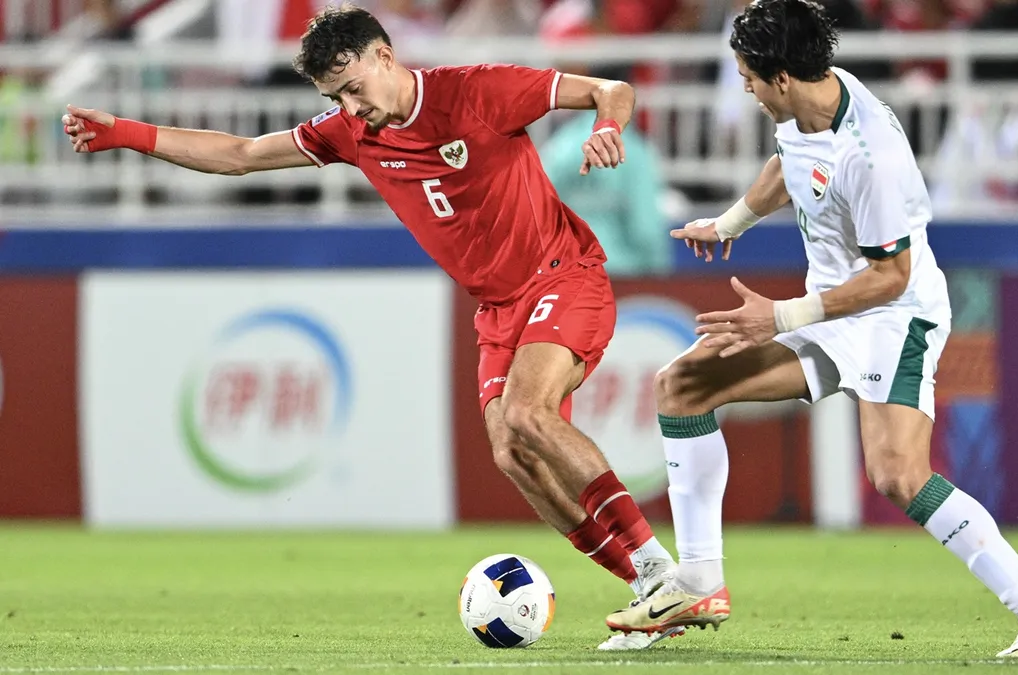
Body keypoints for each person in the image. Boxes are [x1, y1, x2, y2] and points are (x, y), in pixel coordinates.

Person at [62, 4, 679, 651]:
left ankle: (660, 568)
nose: (350, 108)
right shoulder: (353, 133)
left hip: (562, 274)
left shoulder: (475, 91)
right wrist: (128, 134)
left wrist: (607, 125)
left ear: (385, 57)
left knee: (527, 413)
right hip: (499, 308)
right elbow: (242, 154)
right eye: (336, 97)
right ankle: (647, 586)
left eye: (353, 89)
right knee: (513, 452)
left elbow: (611, 88)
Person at [604, 0, 1018, 659]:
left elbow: (891, 276)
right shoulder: (809, 101)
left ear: (780, 76)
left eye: (747, 73)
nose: (741, 84)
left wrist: (778, 317)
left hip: (895, 315)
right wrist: (730, 223)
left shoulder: (871, 155)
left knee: (898, 475)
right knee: (683, 385)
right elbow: (791, 165)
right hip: (831, 308)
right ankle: (697, 579)